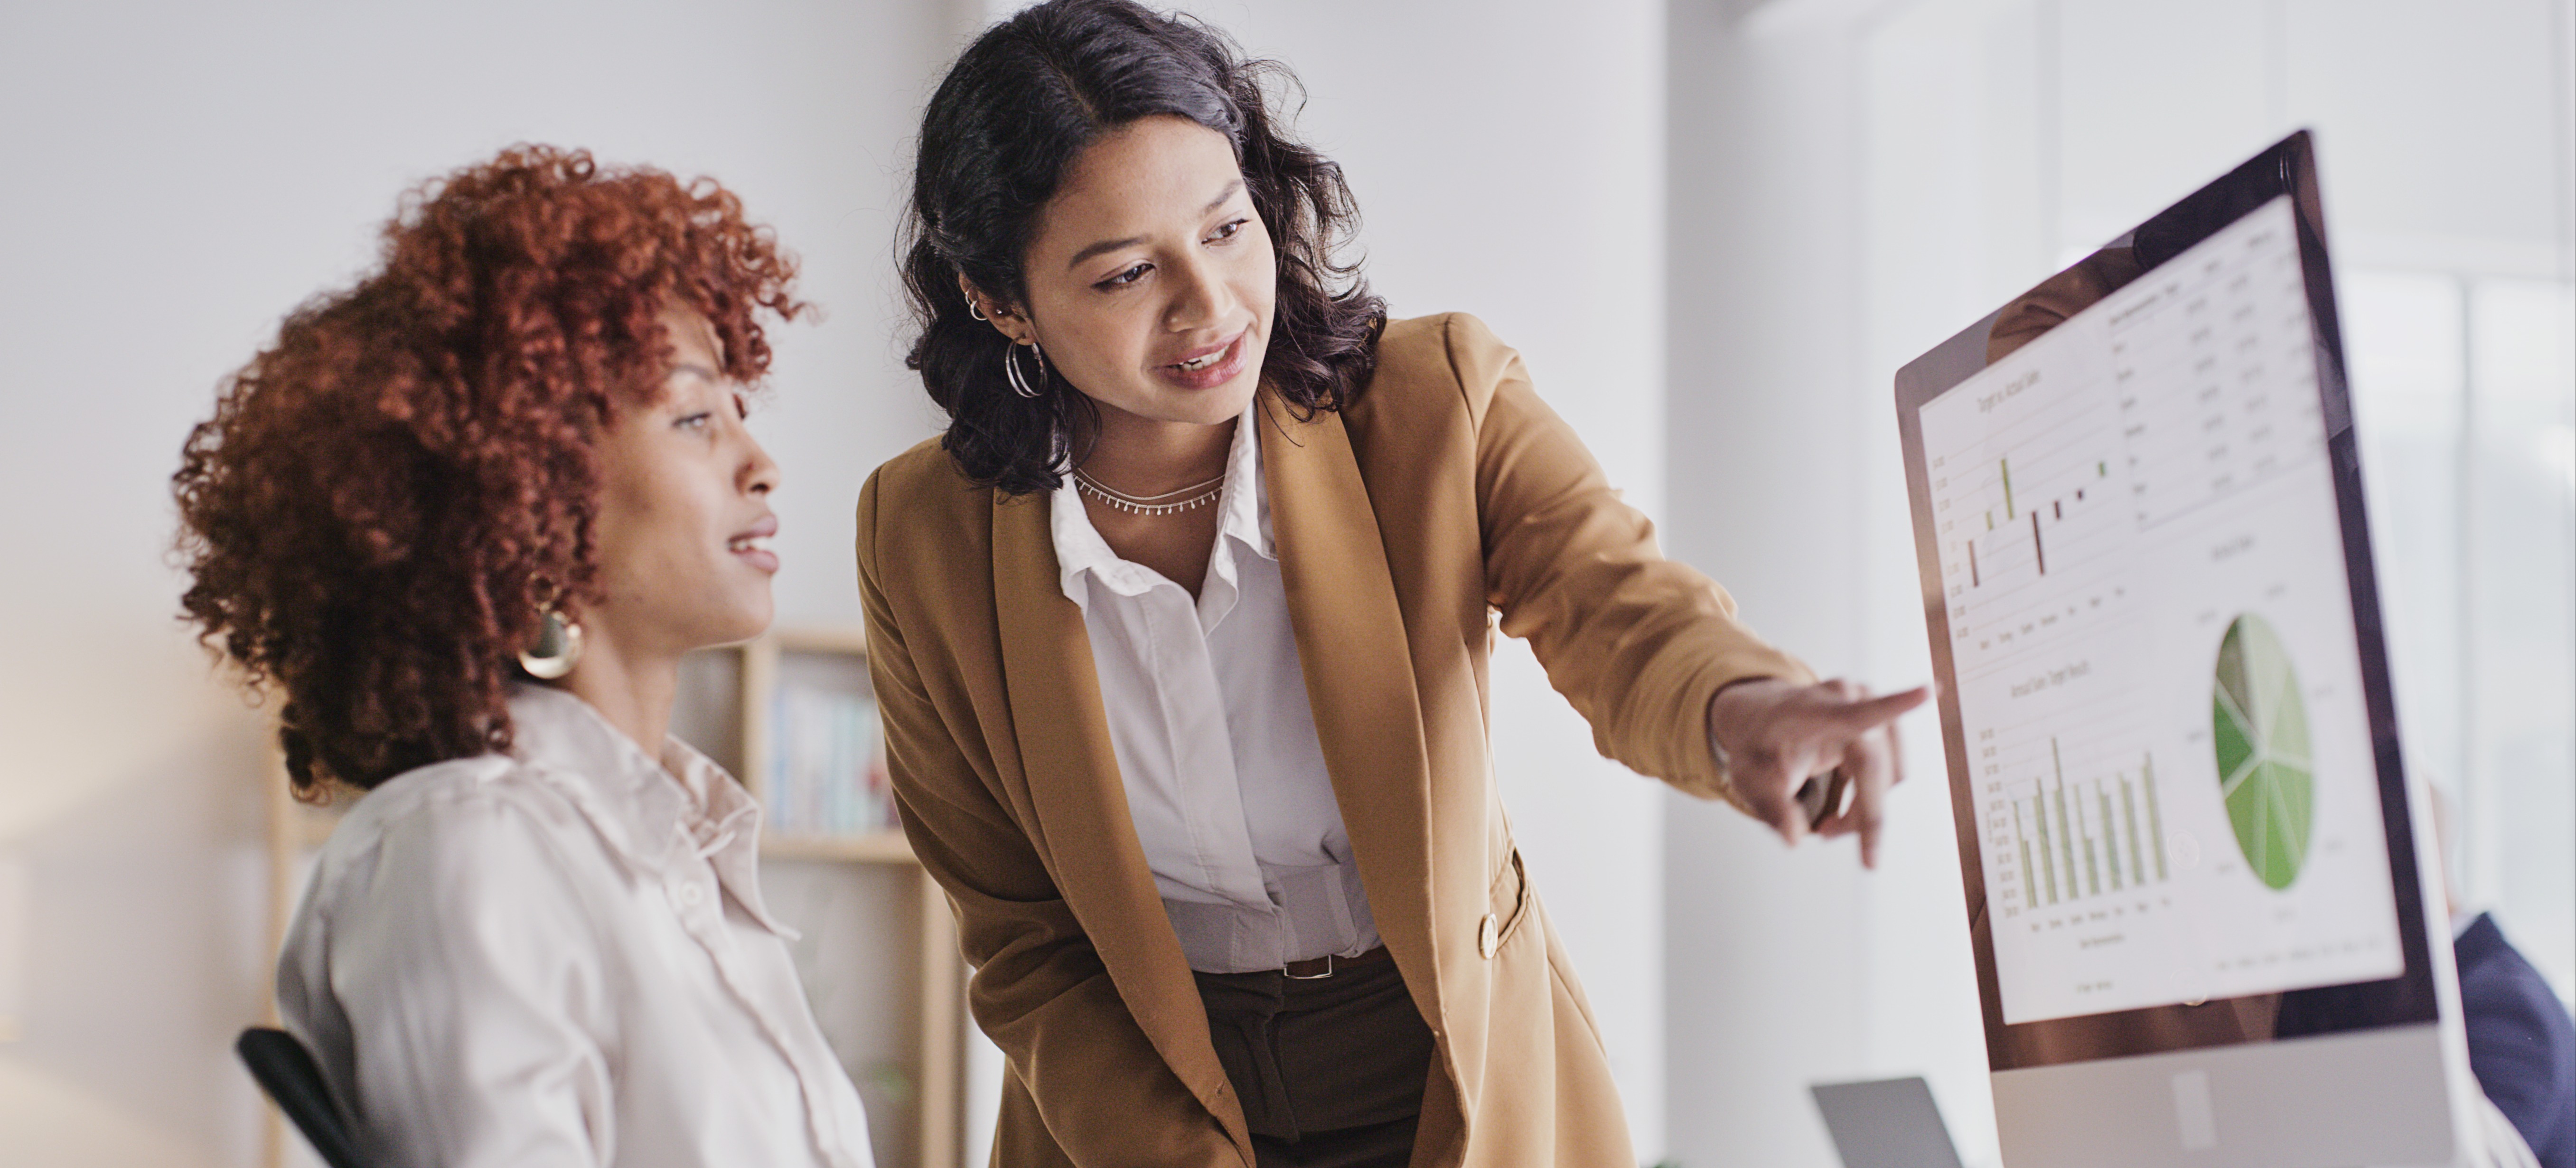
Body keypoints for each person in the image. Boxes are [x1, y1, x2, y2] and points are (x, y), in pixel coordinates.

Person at [854, 3, 1928, 1165]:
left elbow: (1614, 603)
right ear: (999, 300)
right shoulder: (921, 538)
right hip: (1139, 1098)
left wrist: (1735, 707)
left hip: (1447, 1064)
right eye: (1124, 275)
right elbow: (1023, 939)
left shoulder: (1434, 400)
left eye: (1226, 229)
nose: (1209, 306)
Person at [173, 145, 876, 1168]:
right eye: (691, 417)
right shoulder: (471, 846)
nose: (763, 466)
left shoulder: (674, 855)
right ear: (529, 492)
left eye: (739, 412)